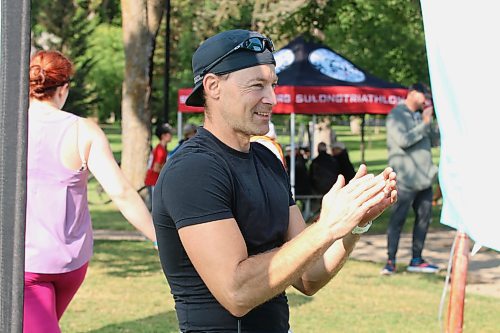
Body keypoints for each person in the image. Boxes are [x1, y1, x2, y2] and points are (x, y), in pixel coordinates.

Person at [153, 29, 397, 333]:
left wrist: (355, 224)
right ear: (213, 87)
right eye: (257, 85)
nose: (271, 98)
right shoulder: (193, 169)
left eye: (273, 85)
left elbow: (309, 277)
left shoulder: (267, 160)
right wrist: (327, 227)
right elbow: (237, 293)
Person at [25, 50, 157, 333]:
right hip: (71, 264)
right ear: (64, 88)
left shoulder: (10, 127)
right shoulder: (84, 131)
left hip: (27, 266)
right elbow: (121, 192)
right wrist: (159, 238)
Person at [381, 83, 440, 275]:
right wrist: (423, 123)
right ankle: (391, 261)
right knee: (397, 220)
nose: (426, 100)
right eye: (424, 96)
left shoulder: (421, 116)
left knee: (423, 220)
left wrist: (429, 123)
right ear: (413, 94)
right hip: (405, 178)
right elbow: (403, 141)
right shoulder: (397, 115)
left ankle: (417, 259)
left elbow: (435, 140)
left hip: (424, 179)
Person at [144, 122, 173, 210]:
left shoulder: (162, 148)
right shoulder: (160, 150)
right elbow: (156, 168)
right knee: (155, 208)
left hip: (156, 181)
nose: (171, 135)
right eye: (169, 133)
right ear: (163, 136)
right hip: (153, 181)